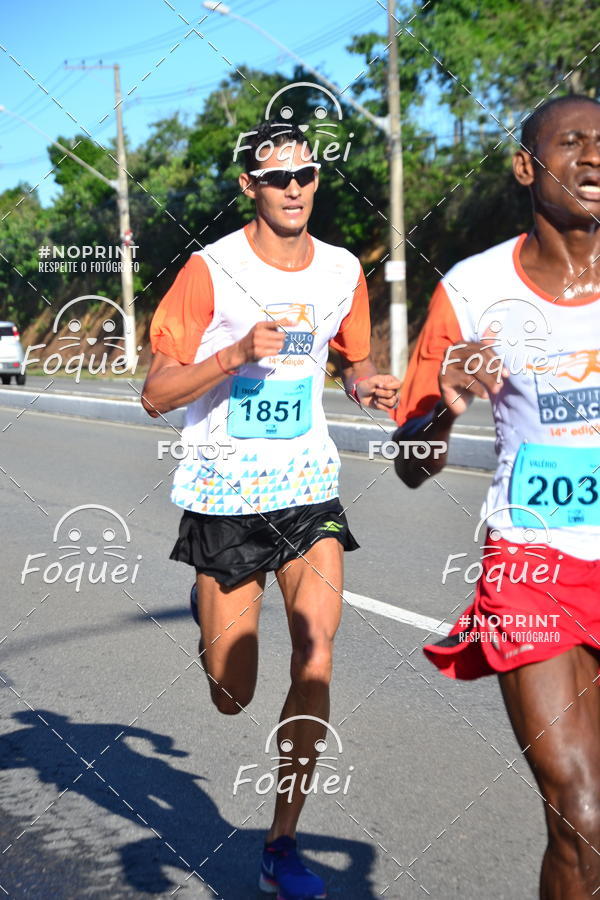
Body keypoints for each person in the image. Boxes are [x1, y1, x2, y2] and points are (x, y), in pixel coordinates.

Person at [141, 120, 401, 900]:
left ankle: (280, 844)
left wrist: (366, 387)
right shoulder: (209, 270)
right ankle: (212, 614)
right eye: (276, 176)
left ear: (317, 181)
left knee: (316, 652)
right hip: (225, 498)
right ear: (249, 185)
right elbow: (156, 393)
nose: (294, 188)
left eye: (305, 174)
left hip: (307, 488)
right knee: (232, 692)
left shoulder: (342, 269)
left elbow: (352, 361)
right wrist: (233, 354)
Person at [392, 94, 600, 900]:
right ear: (526, 166)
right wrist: (440, 408)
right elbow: (411, 464)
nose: (593, 156)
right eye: (572, 141)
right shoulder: (473, 293)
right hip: (534, 563)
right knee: (581, 811)